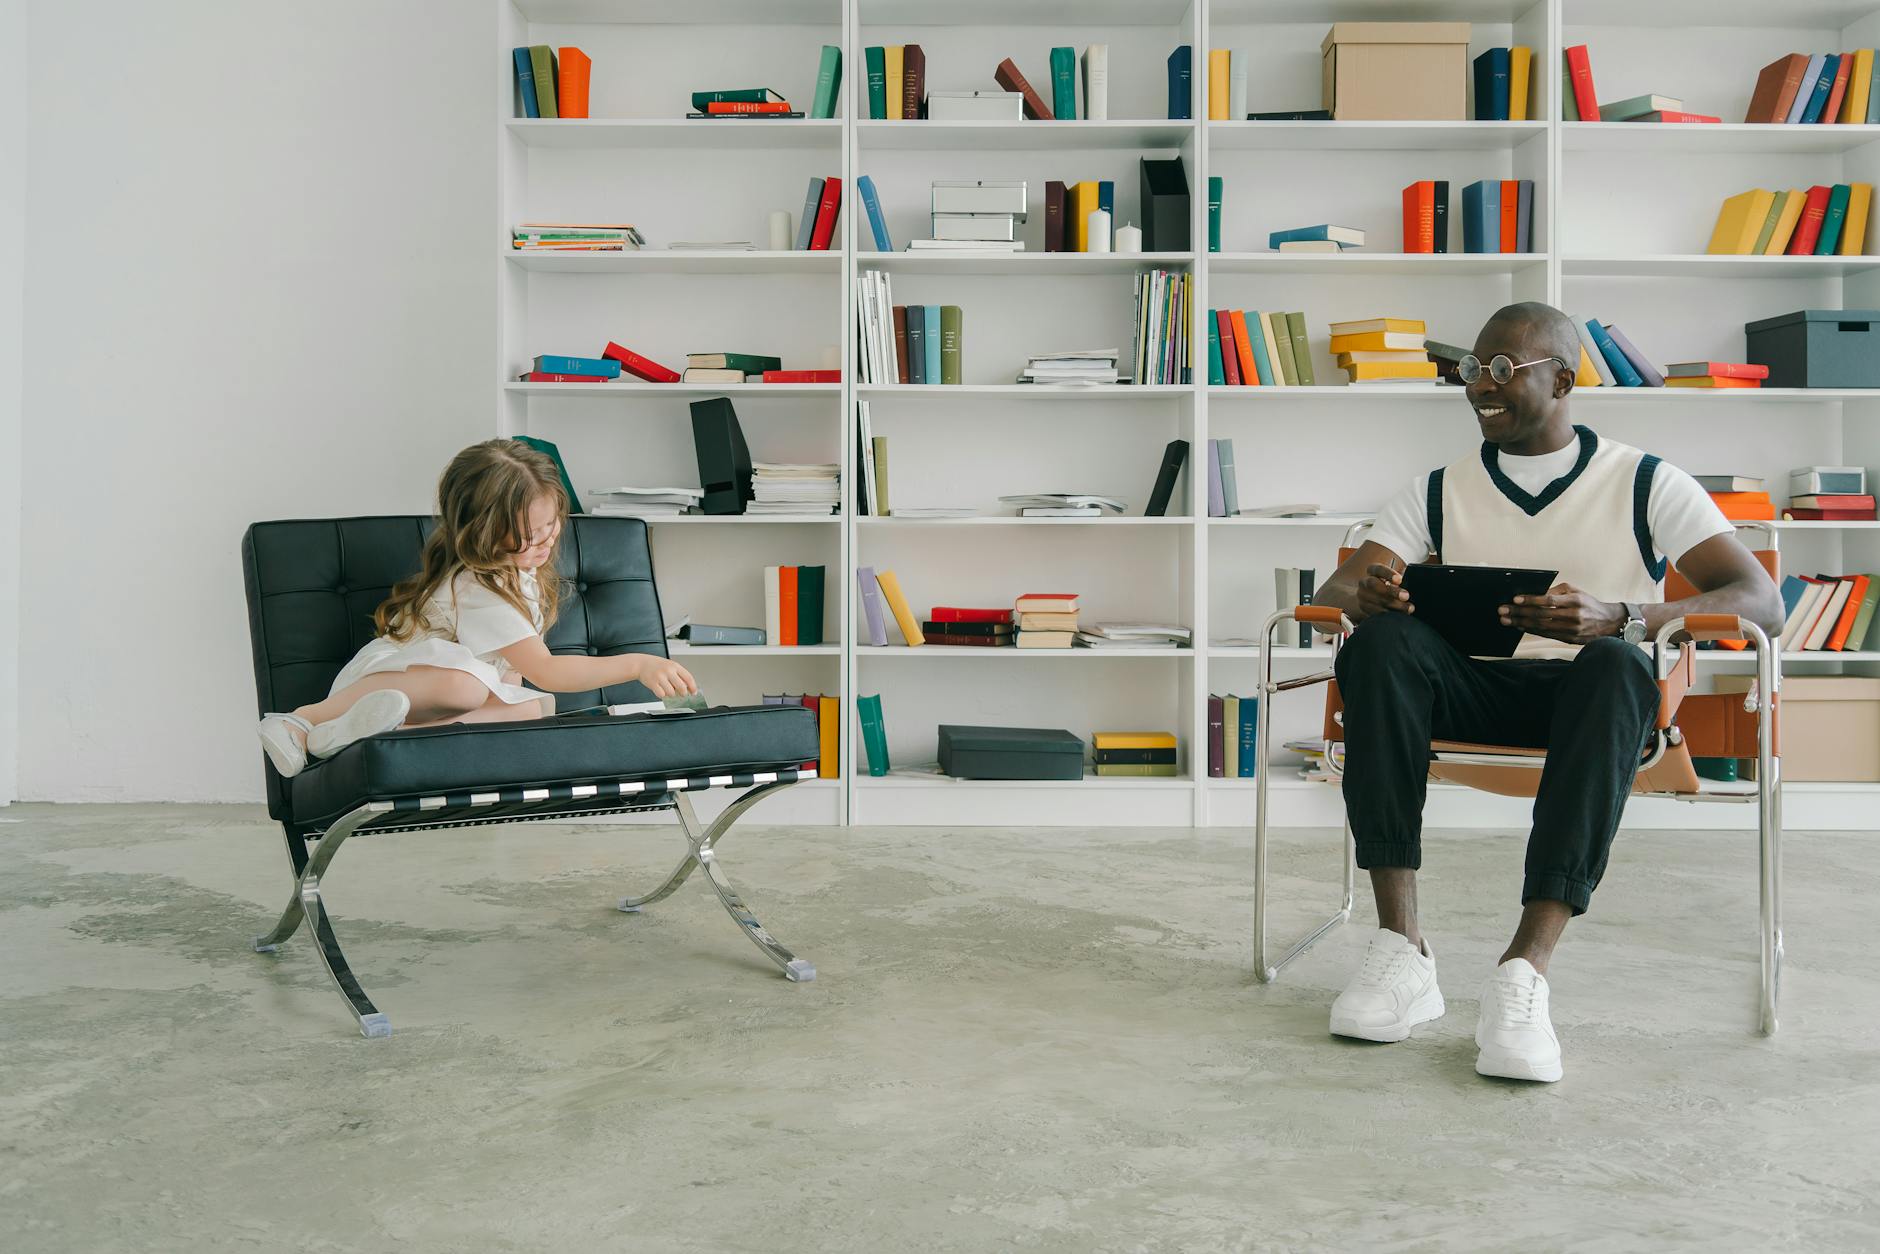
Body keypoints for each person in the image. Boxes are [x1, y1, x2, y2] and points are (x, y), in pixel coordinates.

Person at [1309, 302, 1783, 1082]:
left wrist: (1622, 614)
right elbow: (1337, 590)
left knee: (1619, 662)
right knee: (1383, 643)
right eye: (1471, 370)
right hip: (1472, 692)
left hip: (1592, 703)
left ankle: (1525, 970)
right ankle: (1402, 950)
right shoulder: (1437, 489)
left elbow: (1760, 601)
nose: (1480, 387)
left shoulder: (1645, 481)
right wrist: (1367, 598)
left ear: (1562, 379)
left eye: (1503, 370)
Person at [256, 439, 697, 777]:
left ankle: (366, 736)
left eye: (551, 524)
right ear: (483, 531)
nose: (546, 541)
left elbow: (515, 675)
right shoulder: (477, 586)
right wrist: (638, 664)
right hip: (394, 678)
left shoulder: (519, 576)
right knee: (466, 688)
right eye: (530, 532)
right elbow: (547, 670)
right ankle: (301, 721)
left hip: (419, 703)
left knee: (531, 708)